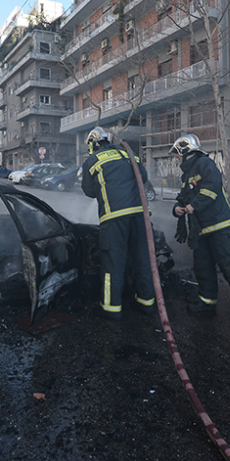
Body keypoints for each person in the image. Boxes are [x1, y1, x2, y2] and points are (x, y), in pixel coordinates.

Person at [171, 134, 230, 326]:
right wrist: (177, 208)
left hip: (220, 229)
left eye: (177, 153)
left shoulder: (205, 164)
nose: (176, 157)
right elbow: (183, 196)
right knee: (203, 270)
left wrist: (195, 205)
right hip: (200, 231)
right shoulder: (188, 174)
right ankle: (207, 303)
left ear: (185, 151)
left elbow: (212, 188)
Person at [82, 127, 155, 320]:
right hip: (140, 217)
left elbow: (89, 191)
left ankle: (111, 308)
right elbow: (144, 179)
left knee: (113, 263)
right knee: (143, 260)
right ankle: (146, 303)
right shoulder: (129, 154)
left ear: (94, 143)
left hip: (113, 218)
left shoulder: (92, 160)